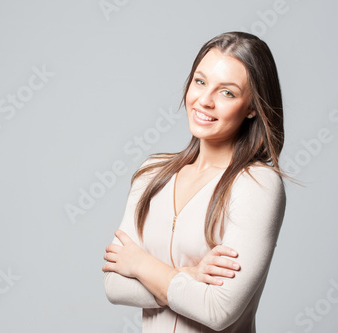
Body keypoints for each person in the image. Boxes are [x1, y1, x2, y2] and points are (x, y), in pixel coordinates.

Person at [102, 31, 287, 332]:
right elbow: (113, 285)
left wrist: (140, 264)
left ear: (252, 107)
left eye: (226, 92)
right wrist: (188, 273)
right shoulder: (153, 174)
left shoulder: (256, 185)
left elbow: (217, 309)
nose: (204, 100)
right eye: (200, 82)